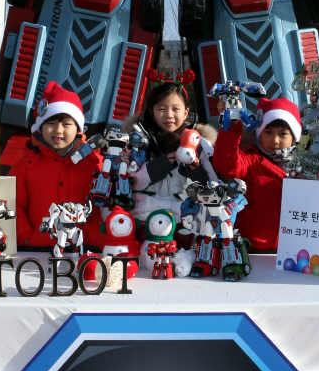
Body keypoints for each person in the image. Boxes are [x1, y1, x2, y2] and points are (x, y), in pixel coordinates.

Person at [8, 81, 103, 250]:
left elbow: (105, 206)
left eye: (66, 124)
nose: (58, 130)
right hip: (38, 249)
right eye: (50, 123)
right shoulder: (24, 167)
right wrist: (26, 238)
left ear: (78, 128)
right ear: (40, 126)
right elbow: (13, 205)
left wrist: (97, 237)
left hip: (88, 248)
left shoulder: (95, 164)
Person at [128, 69, 217, 225]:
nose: (169, 115)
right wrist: (158, 166)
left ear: (186, 112)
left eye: (175, 109)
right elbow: (128, 183)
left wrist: (196, 170)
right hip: (145, 217)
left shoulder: (200, 143)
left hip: (189, 219)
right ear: (151, 111)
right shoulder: (138, 141)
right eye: (161, 109)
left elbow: (213, 184)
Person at [211, 96, 301, 251]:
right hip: (253, 249)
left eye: (283, 134)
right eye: (268, 132)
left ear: (294, 137)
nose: (275, 140)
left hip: (293, 252)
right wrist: (232, 125)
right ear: (259, 134)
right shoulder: (252, 161)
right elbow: (227, 166)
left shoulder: (307, 166)